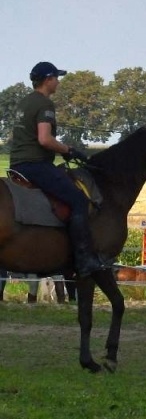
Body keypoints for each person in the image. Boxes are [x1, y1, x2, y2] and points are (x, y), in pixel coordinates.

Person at [7, 62, 113, 276]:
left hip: (18, 163)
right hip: (36, 164)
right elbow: (45, 139)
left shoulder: (24, 102)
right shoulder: (45, 105)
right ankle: (83, 261)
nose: (58, 82)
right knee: (79, 201)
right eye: (57, 78)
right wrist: (68, 150)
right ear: (48, 80)